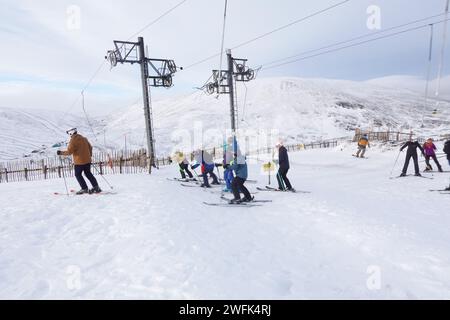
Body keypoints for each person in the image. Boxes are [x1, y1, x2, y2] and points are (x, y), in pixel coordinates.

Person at [57, 128, 101, 194]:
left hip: (79, 162)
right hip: (87, 160)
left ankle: (84, 188)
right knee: (88, 173)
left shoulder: (73, 140)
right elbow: (90, 147)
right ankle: (96, 187)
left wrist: (61, 153)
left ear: (70, 133)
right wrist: (89, 156)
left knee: (78, 174)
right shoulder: (84, 138)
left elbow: (69, 152)